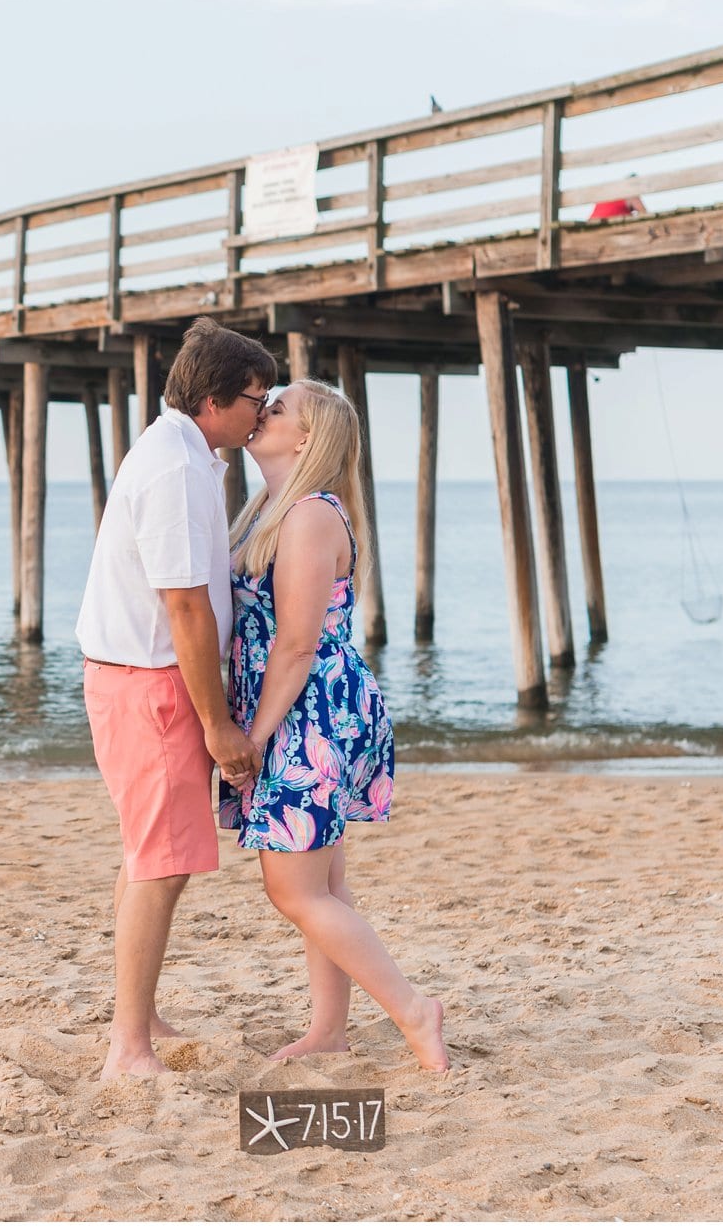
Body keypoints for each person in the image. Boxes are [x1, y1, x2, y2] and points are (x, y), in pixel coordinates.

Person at [220, 378, 448, 1073]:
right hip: (308, 705)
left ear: (308, 437)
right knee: (322, 885)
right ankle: (328, 1029)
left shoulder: (312, 515)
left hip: (309, 712)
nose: (263, 411)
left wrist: (252, 738)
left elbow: (295, 642)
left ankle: (413, 1007)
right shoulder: (273, 506)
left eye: (279, 407)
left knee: (292, 888)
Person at [76, 316, 271, 1080]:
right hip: (150, 683)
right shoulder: (178, 470)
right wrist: (219, 723)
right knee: (160, 862)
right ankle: (129, 1046)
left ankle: (140, 1013)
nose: (264, 411)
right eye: (257, 398)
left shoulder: (177, 453)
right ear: (216, 400)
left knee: (149, 854)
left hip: (135, 677)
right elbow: (185, 607)